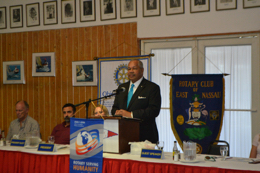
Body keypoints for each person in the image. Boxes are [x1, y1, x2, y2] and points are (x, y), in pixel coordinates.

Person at [111, 59, 161, 143]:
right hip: (123, 136)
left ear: (142, 70)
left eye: (134, 68)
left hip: (145, 136)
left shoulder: (152, 88)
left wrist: (131, 114)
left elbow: (154, 110)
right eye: (129, 69)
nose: (131, 71)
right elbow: (114, 108)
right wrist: (116, 112)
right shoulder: (122, 88)